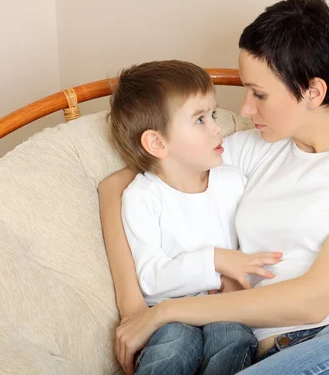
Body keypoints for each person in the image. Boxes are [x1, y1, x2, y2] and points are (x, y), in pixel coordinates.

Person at [99, 0, 329, 375]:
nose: (246, 109)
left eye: (260, 94)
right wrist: (134, 309)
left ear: (313, 92)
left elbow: (315, 299)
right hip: (266, 354)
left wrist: (165, 312)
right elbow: (116, 186)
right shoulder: (253, 151)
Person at [105, 60, 282, 375]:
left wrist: (236, 279)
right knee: (172, 346)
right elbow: (150, 280)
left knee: (231, 337)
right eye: (200, 119)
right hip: (169, 316)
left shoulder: (232, 181)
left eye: (213, 114)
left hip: (226, 308)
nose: (217, 127)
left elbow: (256, 251)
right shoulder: (142, 196)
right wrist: (215, 262)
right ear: (157, 143)